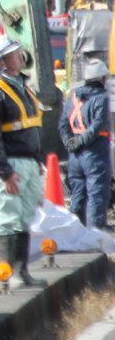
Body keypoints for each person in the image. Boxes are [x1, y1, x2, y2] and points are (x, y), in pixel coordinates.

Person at [0, 34, 46, 287]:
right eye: (13, 54)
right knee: (8, 216)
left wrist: (37, 160)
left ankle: (21, 271)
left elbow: (32, 126)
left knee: (24, 215)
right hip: (11, 163)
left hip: (27, 161)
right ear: (0, 63)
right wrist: (4, 172)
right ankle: (8, 275)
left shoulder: (22, 87)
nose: (20, 56)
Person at [59, 58, 112, 230]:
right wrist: (80, 142)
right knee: (97, 193)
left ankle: (75, 231)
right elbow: (98, 125)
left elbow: (63, 124)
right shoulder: (101, 98)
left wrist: (70, 142)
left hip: (75, 156)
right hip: (94, 153)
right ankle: (95, 233)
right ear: (102, 79)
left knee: (78, 194)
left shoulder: (74, 96)